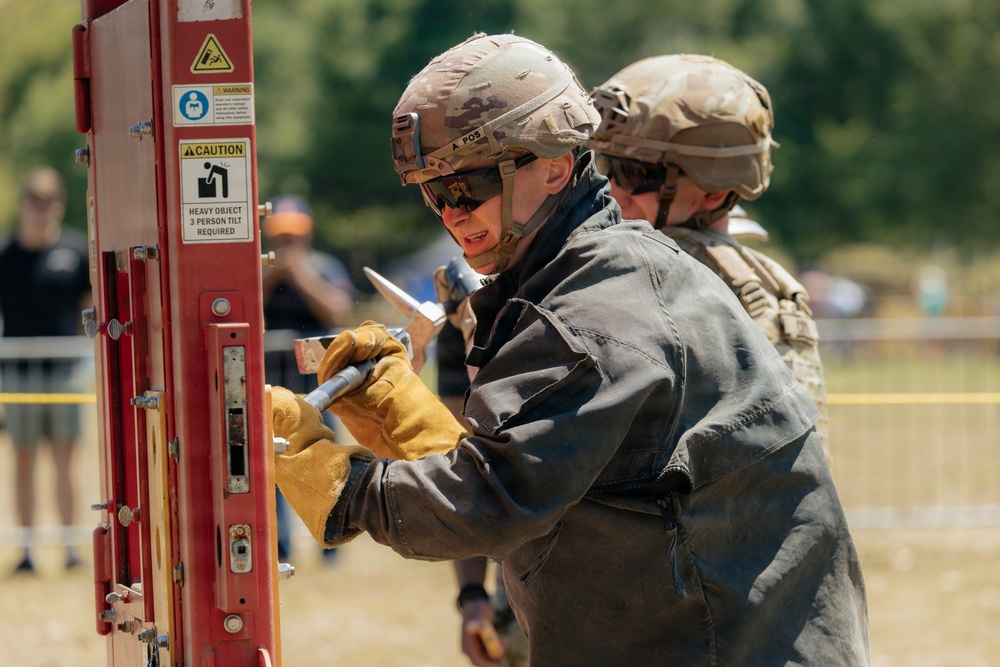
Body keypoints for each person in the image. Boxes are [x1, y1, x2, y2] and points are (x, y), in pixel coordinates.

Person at [270, 34, 869, 664]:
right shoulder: (583, 278)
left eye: (469, 185)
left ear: (557, 165)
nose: (451, 214)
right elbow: (556, 474)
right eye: (433, 192)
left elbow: (496, 502)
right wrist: (403, 418)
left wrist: (337, 483)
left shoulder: (599, 308)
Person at [588, 54, 832, 456]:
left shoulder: (655, 276)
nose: (614, 189)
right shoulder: (763, 280)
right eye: (606, 165)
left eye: (634, 173)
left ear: (714, 190)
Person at [0, 167, 92, 574]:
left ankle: (71, 547)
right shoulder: (6, 256)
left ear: (59, 204)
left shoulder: (75, 251)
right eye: (35, 200)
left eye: (50, 200)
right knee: (22, 460)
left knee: (66, 460)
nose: (43, 208)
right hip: (18, 373)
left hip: (66, 372)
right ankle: (26, 551)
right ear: (23, 204)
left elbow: (90, 311)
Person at [260, 194, 355, 562]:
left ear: (308, 233)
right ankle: (280, 547)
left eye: (293, 234)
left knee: (326, 459)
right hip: (273, 384)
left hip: (321, 385)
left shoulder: (325, 266)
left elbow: (338, 308)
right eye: (281, 235)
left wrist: (301, 276)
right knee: (273, 463)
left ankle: (331, 544)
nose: (287, 242)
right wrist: (272, 278)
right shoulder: (260, 268)